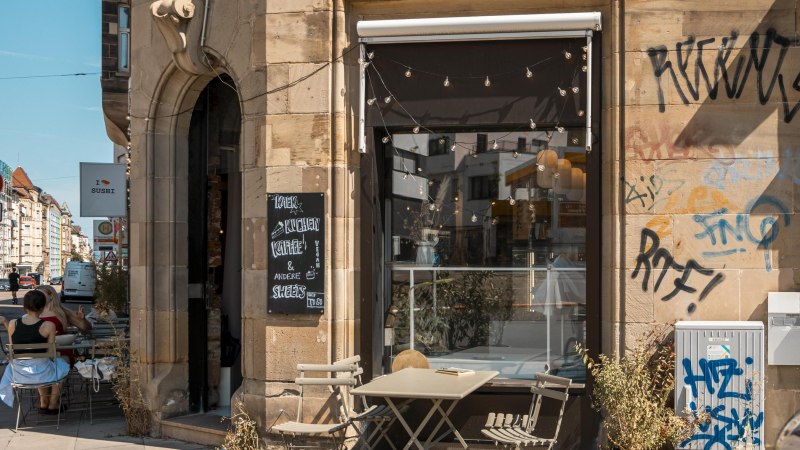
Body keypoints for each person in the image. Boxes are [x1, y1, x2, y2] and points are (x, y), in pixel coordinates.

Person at [0, 290, 70, 413]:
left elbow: (13, 349)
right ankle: (53, 404)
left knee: (42, 364)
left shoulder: (12, 324)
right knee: (63, 364)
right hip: (42, 372)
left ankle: (43, 402)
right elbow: (50, 352)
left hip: (19, 374)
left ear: (23, 306)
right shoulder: (49, 325)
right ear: (43, 307)